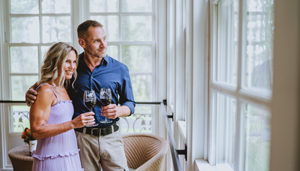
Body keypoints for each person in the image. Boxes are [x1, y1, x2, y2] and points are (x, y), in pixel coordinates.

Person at [26, 20, 135, 171]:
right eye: (97, 41)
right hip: (81, 139)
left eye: (104, 38)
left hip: (111, 137)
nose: (103, 44)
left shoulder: (120, 69)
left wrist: (118, 111)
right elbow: (51, 86)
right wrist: (33, 91)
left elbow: (130, 103)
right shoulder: (71, 69)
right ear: (82, 42)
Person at [30, 42, 95, 171]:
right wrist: (73, 124)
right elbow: (36, 131)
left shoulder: (64, 88)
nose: (72, 67)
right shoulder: (46, 90)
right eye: (67, 62)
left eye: (74, 62)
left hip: (69, 153)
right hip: (52, 157)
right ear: (55, 62)